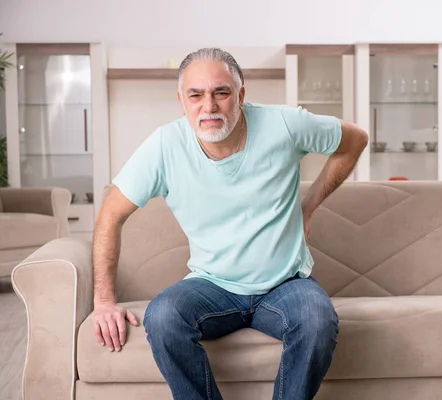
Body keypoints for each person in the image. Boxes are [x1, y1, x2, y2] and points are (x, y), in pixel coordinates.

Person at [90, 47, 368, 400]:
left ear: (240, 95)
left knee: (317, 321)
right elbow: (110, 215)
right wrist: (104, 301)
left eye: (221, 93)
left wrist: (310, 205)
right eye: (196, 95)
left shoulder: (284, 124)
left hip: (286, 284)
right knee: (162, 317)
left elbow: (355, 139)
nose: (209, 106)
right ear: (182, 101)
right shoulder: (164, 146)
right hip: (211, 286)